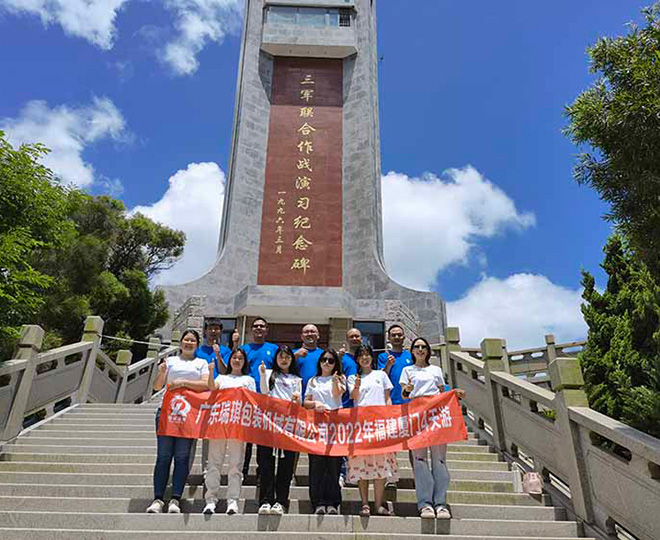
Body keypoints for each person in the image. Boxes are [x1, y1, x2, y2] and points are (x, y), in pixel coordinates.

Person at [400, 337, 465, 520]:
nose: (420, 349)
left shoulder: (435, 370)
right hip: (417, 416)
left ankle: (441, 503)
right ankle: (425, 503)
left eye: (423, 347)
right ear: (412, 351)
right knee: (420, 460)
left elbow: (442, 391)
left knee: (440, 460)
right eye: (417, 347)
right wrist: (408, 389)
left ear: (428, 351)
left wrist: (454, 393)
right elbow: (404, 395)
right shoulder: (407, 370)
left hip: (436, 417)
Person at [146, 329, 209, 514]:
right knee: (163, 456)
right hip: (166, 413)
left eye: (193, 340)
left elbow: (205, 384)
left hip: (189, 415)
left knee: (182, 457)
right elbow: (157, 386)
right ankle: (158, 499)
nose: (189, 343)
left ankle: (175, 498)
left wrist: (182, 383)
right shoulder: (171, 361)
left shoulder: (201, 363)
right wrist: (162, 372)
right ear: (180, 343)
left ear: (197, 344)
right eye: (186, 340)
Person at [203, 348, 256, 515]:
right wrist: (211, 372)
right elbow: (212, 387)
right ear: (230, 360)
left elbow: (253, 401)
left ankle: (233, 500)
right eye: (234, 357)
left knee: (236, 465)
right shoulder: (223, 377)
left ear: (244, 362)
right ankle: (210, 499)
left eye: (240, 358)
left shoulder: (248, 379)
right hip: (219, 423)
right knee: (213, 464)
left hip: (238, 427)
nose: (237, 361)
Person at [347, 344, 399, 516]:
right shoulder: (353, 377)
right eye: (361, 355)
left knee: (381, 465)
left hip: (380, 426)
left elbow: (388, 398)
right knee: (362, 466)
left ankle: (378, 504)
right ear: (357, 359)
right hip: (361, 427)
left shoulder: (381, 374)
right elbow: (354, 398)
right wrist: (356, 385)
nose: (365, 358)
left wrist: (390, 419)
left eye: (367, 354)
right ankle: (364, 504)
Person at [257, 346, 303, 515]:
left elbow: (299, 403)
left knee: (286, 465)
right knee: (266, 464)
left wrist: (297, 400)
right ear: (276, 359)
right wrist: (262, 374)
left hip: (288, 427)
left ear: (292, 359)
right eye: (281, 357)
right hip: (269, 426)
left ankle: (281, 501)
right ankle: (265, 500)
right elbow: (263, 391)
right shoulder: (269, 374)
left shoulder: (296, 379)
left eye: (287, 357)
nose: (284, 360)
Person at [304, 349, 346, 515]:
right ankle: (318, 502)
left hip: (335, 426)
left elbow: (337, 394)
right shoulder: (313, 380)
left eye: (331, 360)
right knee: (317, 465)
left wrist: (335, 380)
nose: (327, 363)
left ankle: (333, 502)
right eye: (324, 360)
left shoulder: (340, 378)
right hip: (317, 426)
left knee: (334, 466)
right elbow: (305, 401)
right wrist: (315, 405)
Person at [240, 317, 278, 478]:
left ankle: (262, 473)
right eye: (255, 326)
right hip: (248, 399)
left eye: (262, 326)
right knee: (246, 439)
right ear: (251, 329)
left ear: (266, 330)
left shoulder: (274, 348)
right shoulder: (244, 349)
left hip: (267, 400)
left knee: (264, 439)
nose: (259, 328)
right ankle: (243, 471)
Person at [378, 324, 413, 406]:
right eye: (393, 335)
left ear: (404, 337)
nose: (397, 337)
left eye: (399, 335)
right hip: (391, 401)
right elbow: (381, 378)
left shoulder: (411, 356)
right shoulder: (383, 356)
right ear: (389, 338)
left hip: (410, 400)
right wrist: (388, 365)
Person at [294, 324, 323, 398]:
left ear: (318, 335)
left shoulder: (324, 355)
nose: (309, 334)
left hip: (317, 398)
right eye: (306, 332)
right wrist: (295, 356)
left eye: (312, 331)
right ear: (301, 336)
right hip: (296, 396)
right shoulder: (292, 354)